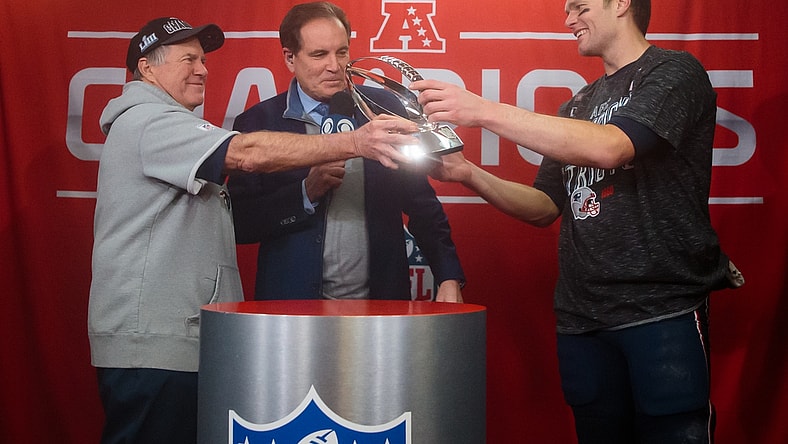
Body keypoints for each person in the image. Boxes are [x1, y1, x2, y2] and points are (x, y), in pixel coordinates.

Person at [410, 0, 743, 442]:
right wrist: (468, 173)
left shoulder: (673, 72)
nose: (568, 20)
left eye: (580, 7)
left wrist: (480, 110)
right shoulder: (578, 104)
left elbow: (614, 147)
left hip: (661, 310)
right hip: (581, 318)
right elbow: (545, 206)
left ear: (622, 3)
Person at [88, 16, 418, 444]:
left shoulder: (169, 124)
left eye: (203, 60)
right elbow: (245, 152)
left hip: (179, 343)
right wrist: (355, 142)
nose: (202, 70)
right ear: (147, 69)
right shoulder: (149, 120)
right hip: (154, 348)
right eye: (188, 59)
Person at [227, 1, 465, 303]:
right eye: (319, 54)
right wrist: (305, 194)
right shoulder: (259, 122)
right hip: (291, 313)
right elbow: (240, 224)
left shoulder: (384, 110)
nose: (335, 66)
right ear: (290, 58)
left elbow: (421, 203)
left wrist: (448, 276)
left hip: (379, 308)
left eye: (342, 52)